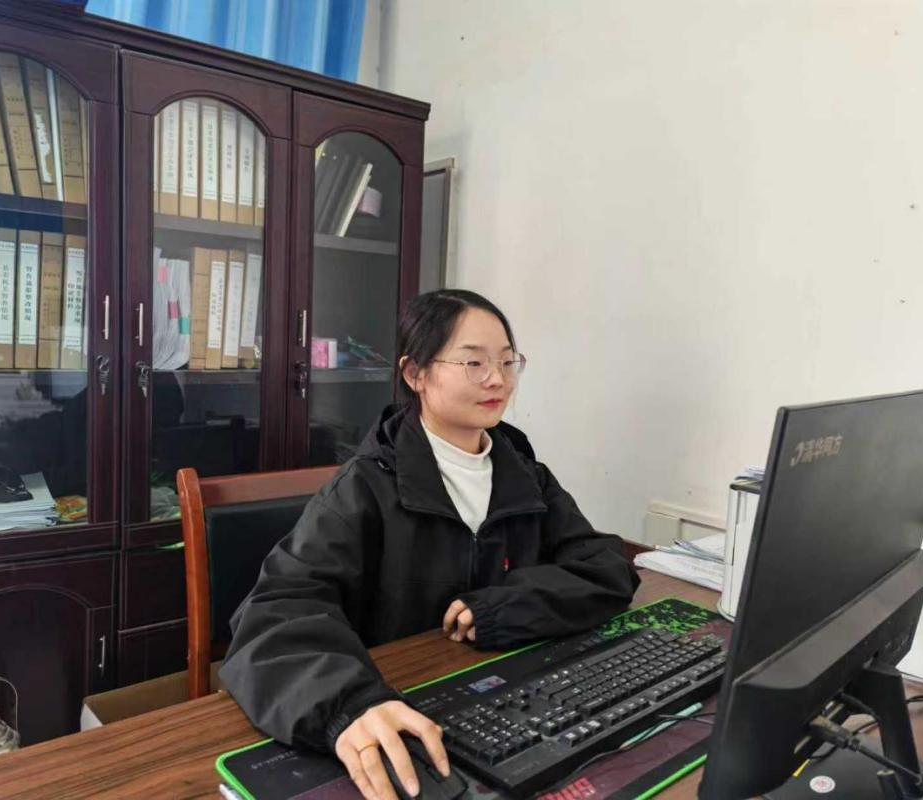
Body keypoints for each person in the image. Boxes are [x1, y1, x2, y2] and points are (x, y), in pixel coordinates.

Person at [221, 289, 640, 800]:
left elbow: (604, 567)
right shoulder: (366, 485)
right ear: (415, 373)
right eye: (473, 362)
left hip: (503, 707)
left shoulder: (524, 474)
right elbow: (275, 613)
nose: (497, 379)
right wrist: (349, 705)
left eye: (508, 361)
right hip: (396, 707)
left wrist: (511, 606)